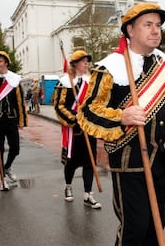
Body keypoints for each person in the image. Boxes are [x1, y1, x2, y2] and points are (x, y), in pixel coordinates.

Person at [77, 3, 165, 245]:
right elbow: (87, 112)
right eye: (148, 25)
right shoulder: (109, 68)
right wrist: (121, 117)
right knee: (134, 228)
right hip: (129, 161)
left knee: (156, 227)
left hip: (161, 162)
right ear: (130, 30)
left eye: (158, 25)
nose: (156, 31)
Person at [52, 50, 101, 209]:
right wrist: (74, 118)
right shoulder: (65, 82)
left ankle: (88, 195)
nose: (86, 63)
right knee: (71, 163)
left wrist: (92, 117)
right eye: (83, 61)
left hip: (89, 129)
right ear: (75, 64)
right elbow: (59, 105)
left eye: (87, 60)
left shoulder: (91, 81)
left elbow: (96, 104)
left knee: (89, 163)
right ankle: (68, 186)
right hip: (74, 130)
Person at [0, 51, 28, 190]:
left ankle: (7, 167)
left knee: (15, 148)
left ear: (6, 63)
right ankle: (3, 179)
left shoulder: (14, 79)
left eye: (0, 61)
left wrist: (22, 121)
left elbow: (20, 102)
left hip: (11, 119)